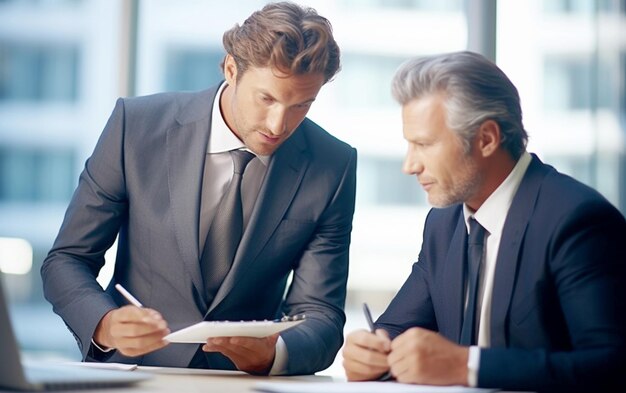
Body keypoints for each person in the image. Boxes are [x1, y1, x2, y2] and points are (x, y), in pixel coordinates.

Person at [41, 2, 356, 376]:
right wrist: (105, 324)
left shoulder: (333, 165)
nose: (279, 124)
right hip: (134, 374)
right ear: (231, 69)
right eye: (266, 98)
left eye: (302, 105)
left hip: (244, 382)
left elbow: (320, 311)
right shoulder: (136, 127)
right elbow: (66, 260)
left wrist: (275, 355)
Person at [342, 51, 626, 392]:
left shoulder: (576, 220)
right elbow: (393, 334)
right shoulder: (443, 224)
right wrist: (370, 354)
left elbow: (611, 366)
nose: (410, 165)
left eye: (424, 144)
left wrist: (467, 366)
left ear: (487, 139)